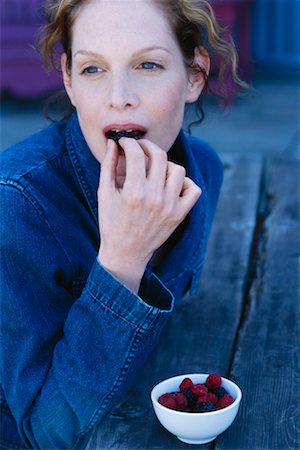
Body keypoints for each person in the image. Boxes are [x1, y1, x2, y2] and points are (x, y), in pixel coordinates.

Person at [0, 1, 243, 448]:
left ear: (194, 75)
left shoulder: (204, 171)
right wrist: (123, 259)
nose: (118, 96)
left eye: (147, 64)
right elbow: (44, 432)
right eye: (94, 70)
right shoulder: (16, 206)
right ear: (69, 80)